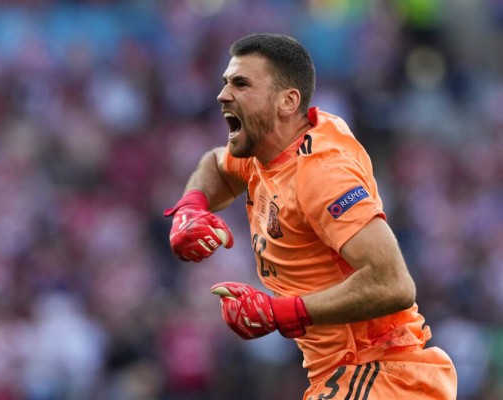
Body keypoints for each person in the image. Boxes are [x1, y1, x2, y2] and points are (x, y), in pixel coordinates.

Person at [164, 33, 457, 399]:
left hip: (380, 371)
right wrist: (192, 204)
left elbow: (393, 284)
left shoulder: (320, 173)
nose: (223, 94)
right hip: (343, 378)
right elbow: (215, 166)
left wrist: (276, 312)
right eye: (225, 83)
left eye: (241, 84)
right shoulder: (264, 152)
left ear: (287, 102)